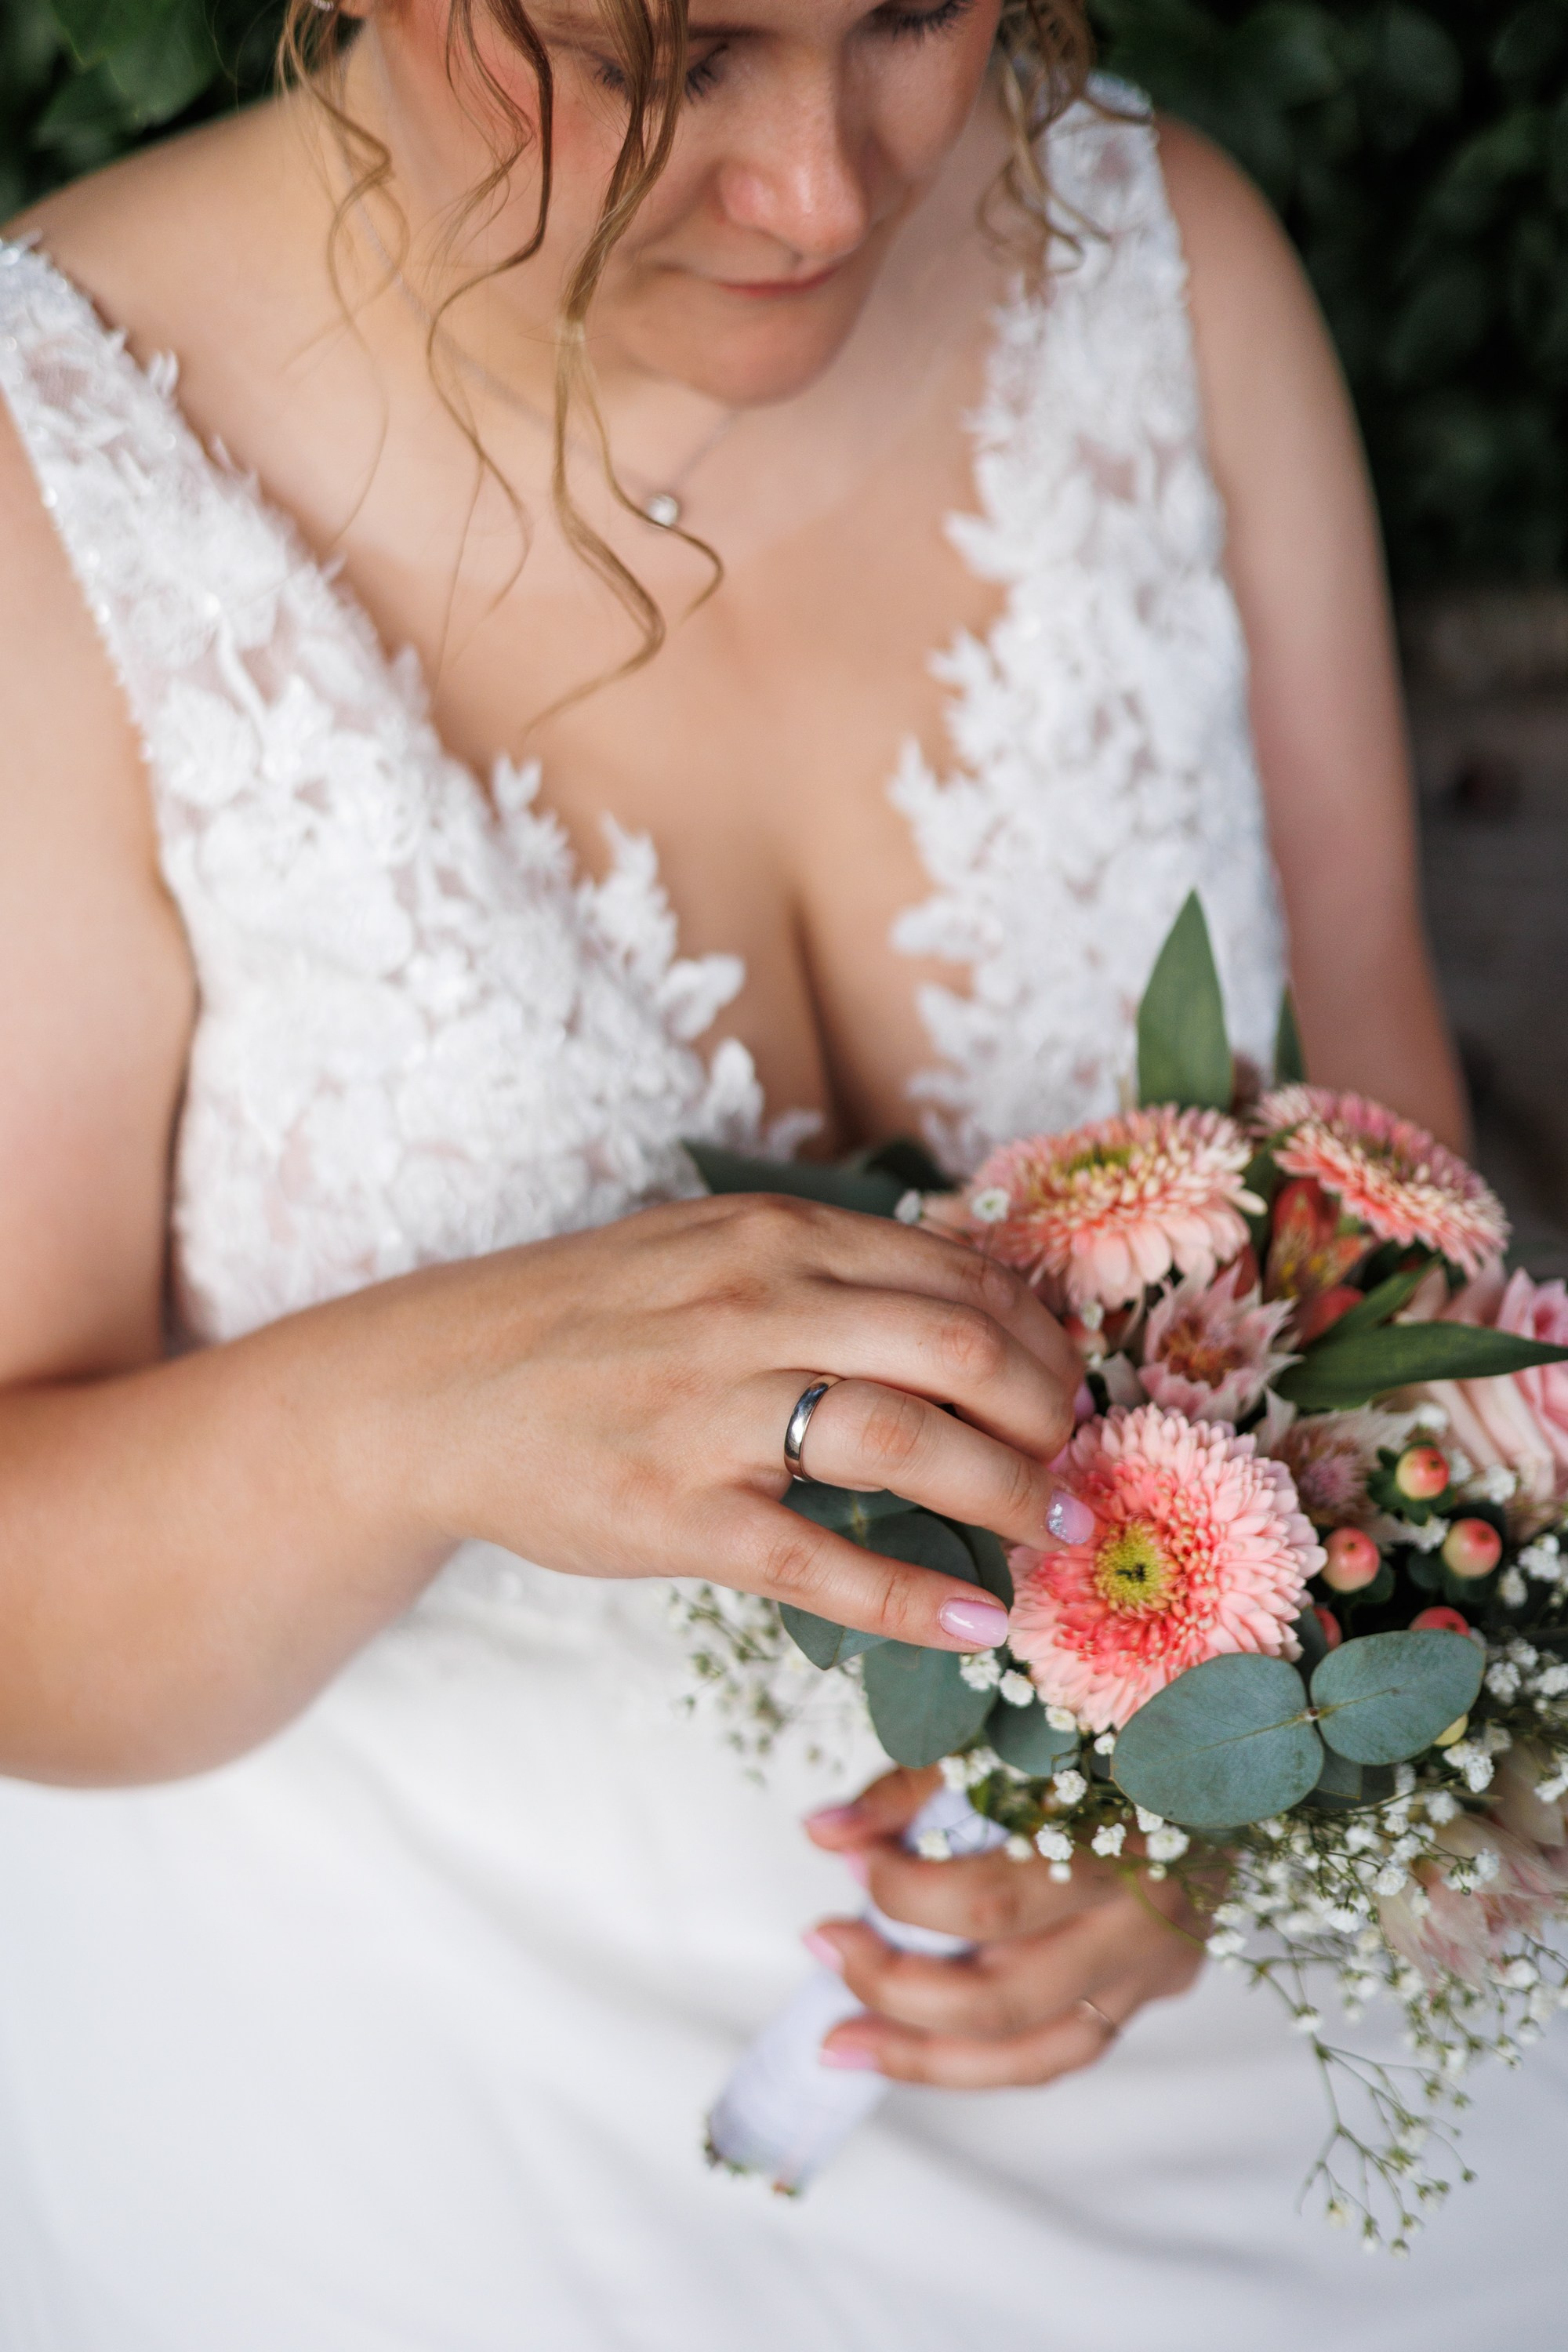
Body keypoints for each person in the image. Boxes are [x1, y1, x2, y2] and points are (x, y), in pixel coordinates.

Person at [0, 0, 1546, 2342]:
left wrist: (1212, 1825)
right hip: (426, 2113)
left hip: (1226, 2063)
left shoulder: (1160, 256)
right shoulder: (58, 460)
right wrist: (420, 1408)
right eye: (666, 61)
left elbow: (1409, 1262)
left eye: (915, 11)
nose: (823, 191)